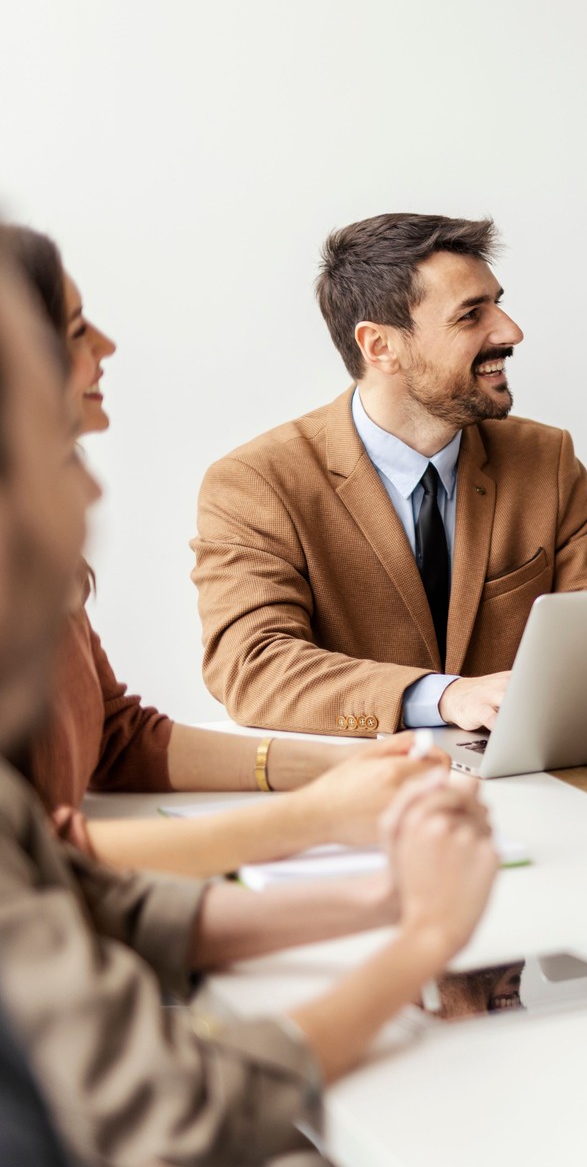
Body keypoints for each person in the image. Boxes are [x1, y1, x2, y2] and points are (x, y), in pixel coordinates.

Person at [0, 225, 501, 1165]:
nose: (97, 497)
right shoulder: (257, 478)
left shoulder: (538, 459)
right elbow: (177, 1112)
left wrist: (377, 870)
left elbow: (83, 857)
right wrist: (412, 921)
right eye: (73, 329)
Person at [0, 224, 443, 879]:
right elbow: (35, 860)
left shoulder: (35, 555)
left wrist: (349, 766)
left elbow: (117, 740)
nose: (108, 345)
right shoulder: (256, 480)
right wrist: (317, 817)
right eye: (74, 331)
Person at [193, 214, 587, 736]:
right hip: (363, 791)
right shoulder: (258, 482)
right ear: (380, 346)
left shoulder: (545, 458)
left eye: (497, 303)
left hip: (533, 777)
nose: (510, 330)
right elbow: (254, 666)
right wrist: (445, 696)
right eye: (471, 315)